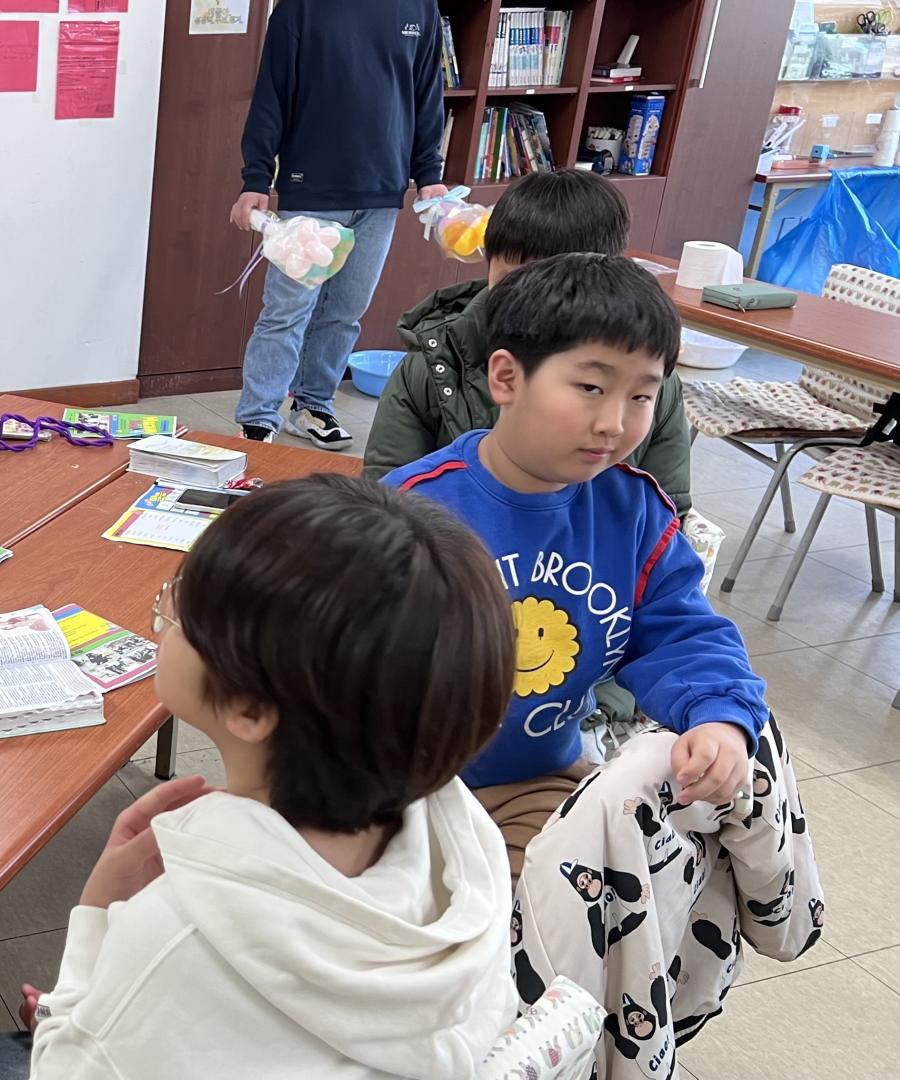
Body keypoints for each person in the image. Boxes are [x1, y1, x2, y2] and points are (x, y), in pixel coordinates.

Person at [0, 474, 520, 1080]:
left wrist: (95, 931)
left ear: (249, 708)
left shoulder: (176, 940)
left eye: (183, 609)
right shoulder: (466, 837)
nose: (165, 614)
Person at [382, 253, 767, 881]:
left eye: (641, 396)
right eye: (591, 388)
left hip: (531, 781)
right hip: (392, 786)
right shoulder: (413, 508)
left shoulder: (632, 513)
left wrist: (719, 713)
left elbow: (680, 632)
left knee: (552, 903)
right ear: (507, 378)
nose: (613, 423)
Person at [363, 168, 693, 512]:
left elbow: (668, 510)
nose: (529, 304)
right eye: (512, 280)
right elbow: (385, 503)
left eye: (560, 292)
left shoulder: (649, 385)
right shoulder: (434, 363)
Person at [229, 0, 448, 448]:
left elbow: (427, 94)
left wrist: (429, 174)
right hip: (311, 188)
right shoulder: (300, 8)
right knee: (287, 310)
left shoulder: (421, 8)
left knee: (346, 312)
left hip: (382, 191)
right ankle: (258, 416)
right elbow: (272, 94)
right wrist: (256, 177)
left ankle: (313, 406)